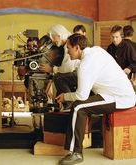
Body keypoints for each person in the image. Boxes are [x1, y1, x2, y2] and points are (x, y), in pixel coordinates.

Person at [56, 34, 136, 165]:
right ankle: (76, 149)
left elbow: (82, 96)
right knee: (79, 105)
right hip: (115, 93)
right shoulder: (95, 50)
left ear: (77, 48)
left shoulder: (86, 64)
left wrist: (65, 96)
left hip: (120, 97)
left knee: (78, 107)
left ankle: (76, 153)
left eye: (68, 48)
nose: (67, 51)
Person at [39, 24, 80, 109]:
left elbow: (68, 67)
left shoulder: (69, 43)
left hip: (78, 72)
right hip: (76, 72)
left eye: (53, 38)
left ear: (59, 35)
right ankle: (62, 104)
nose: (53, 41)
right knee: (58, 78)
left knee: (58, 78)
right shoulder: (64, 45)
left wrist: (51, 69)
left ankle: (68, 105)